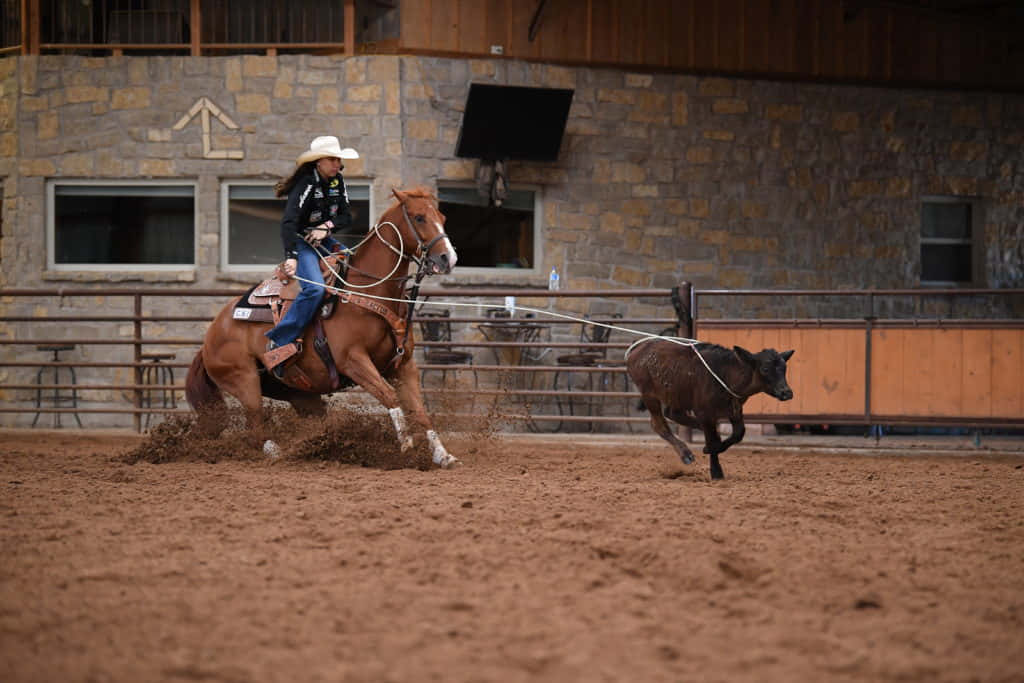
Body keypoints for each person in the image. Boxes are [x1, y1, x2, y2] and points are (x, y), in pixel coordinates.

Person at [263, 135, 358, 374]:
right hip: (302, 242)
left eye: (338, 159)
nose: (337, 164)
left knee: (357, 267)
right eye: (332, 159)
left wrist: (325, 227)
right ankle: (281, 339)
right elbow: (288, 222)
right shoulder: (306, 183)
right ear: (318, 162)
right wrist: (291, 256)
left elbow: (346, 216)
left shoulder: (338, 181)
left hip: (324, 239)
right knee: (314, 288)